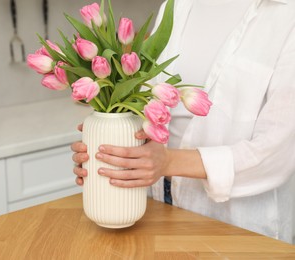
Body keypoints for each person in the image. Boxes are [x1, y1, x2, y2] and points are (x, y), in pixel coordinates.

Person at [71, 0, 295, 244]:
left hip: (239, 227)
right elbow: (149, 97)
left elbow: (277, 154)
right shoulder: (179, 4)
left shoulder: (287, 14)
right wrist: (110, 140)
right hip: (156, 205)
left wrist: (167, 162)